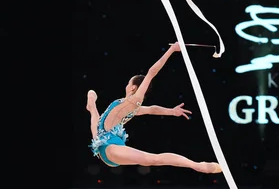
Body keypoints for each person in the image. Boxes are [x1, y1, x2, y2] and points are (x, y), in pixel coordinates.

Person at [87, 41, 222, 174]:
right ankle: (91, 105)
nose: (127, 85)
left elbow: (152, 72)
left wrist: (172, 50)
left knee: (153, 159)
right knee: (95, 116)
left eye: (129, 83)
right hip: (102, 142)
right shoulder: (130, 107)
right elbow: (152, 109)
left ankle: (198, 166)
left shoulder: (134, 101)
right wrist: (171, 111)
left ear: (133, 87)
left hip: (110, 148)